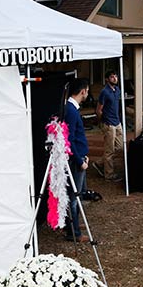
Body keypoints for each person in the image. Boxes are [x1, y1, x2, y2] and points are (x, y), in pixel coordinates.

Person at [63, 78, 91, 242]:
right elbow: (70, 139)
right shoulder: (71, 111)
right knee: (74, 196)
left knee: (77, 194)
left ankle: (73, 224)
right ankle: (74, 233)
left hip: (79, 156)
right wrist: (80, 160)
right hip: (76, 160)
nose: (87, 93)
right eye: (86, 91)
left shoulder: (71, 109)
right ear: (83, 91)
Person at [93, 70, 123, 182]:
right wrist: (103, 122)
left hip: (117, 122)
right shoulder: (104, 92)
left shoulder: (117, 90)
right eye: (112, 77)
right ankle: (109, 174)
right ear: (107, 79)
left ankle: (99, 163)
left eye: (116, 76)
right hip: (109, 123)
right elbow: (99, 110)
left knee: (120, 147)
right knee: (109, 150)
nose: (114, 78)